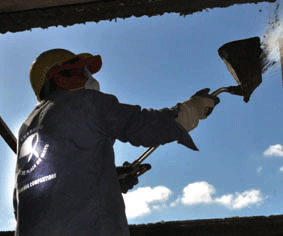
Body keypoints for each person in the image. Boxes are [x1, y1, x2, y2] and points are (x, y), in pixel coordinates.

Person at [13, 49, 219, 236]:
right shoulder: (84, 102)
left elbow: (24, 199)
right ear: (58, 77)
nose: (89, 78)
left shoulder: (27, 129)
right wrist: (188, 112)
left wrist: (109, 177)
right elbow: (139, 125)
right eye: (82, 71)